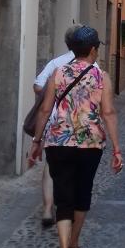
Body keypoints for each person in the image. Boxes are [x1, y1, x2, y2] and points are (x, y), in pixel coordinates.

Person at [28, 26, 123, 248]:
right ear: (92, 49)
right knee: (82, 194)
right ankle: (73, 246)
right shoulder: (101, 76)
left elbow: (45, 109)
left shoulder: (58, 73)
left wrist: (36, 142)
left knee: (63, 196)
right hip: (90, 144)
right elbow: (108, 112)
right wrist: (116, 148)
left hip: (58, 142)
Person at [32, 24, 84, 227]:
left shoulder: (56, 63)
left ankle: (47, 209)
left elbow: (37, 86)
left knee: (51, 163)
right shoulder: (92, 66)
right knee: (76, 164)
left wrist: (52, 92)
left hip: (54, 120)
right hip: (80, 122)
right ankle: (68, 207)